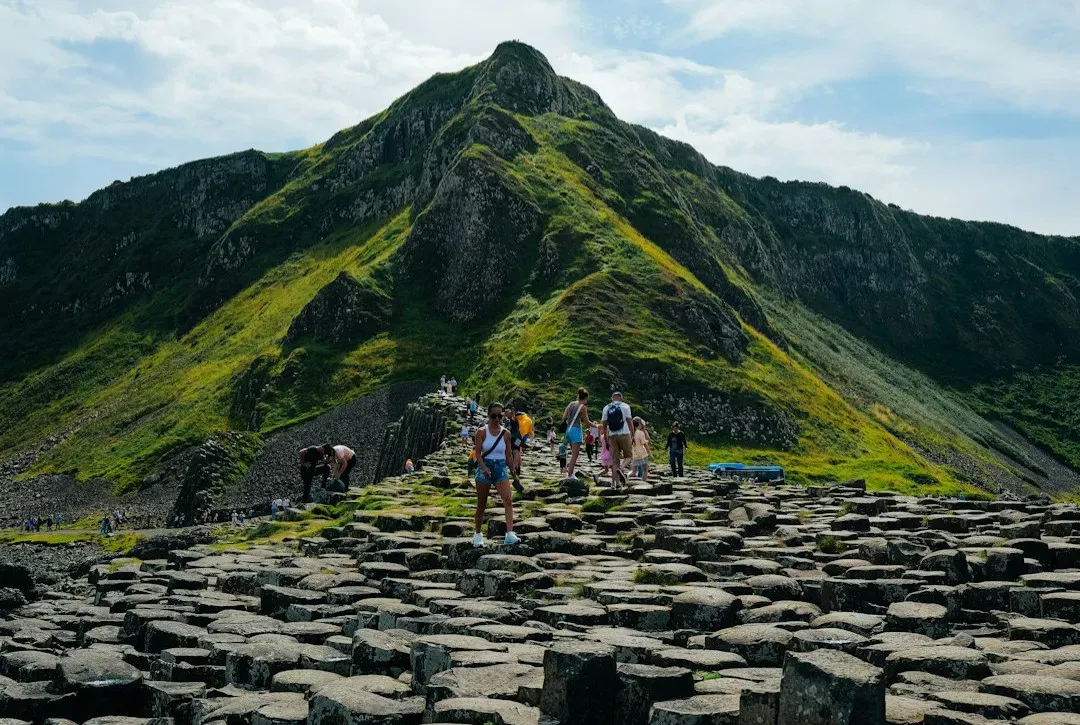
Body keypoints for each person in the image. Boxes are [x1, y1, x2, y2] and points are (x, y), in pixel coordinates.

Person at [471, 402, 520, 547]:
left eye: (500, 416)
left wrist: (514, 473)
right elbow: (477, 454)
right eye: (494, 416)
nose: (497, 419)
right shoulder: (481, 432)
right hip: (484, 467)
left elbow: (509, 456)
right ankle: (478, 534)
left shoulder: (506, 434)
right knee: (482, 504)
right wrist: (484, 467)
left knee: (508, 499)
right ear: (488, 416)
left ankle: (510, 533)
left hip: (500, 467)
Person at [600, 392, 634, 489]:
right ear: (621, 398)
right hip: (624, 434)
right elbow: (629, 421)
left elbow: (604, 425)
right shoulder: (625, 406)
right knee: (629, 456)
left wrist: (606, 439)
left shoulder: (606, 407)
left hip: (612, 435)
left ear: (612, 398)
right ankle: (621, 469)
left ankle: (614, 484)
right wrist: (633, 434)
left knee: (615, 460)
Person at [562, 387, 592, 478]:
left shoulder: (571, 404)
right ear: (585, 398)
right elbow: (587, 422)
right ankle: (570, 474)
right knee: (575, 455)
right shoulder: (583, 407)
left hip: (568, 430)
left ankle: (569, 471)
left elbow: (564, 417)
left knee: (571, 453)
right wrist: (596, 426)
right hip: (576, 431)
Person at [631, 417, 650, 482]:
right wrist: (650, 453)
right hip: (642, 453)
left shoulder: (631, 432)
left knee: (634, 471)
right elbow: (645, 444)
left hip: (634, 454)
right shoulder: (640, 433)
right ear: (639, 424)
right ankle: (642, 483)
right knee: (645, 470)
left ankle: (626, 477)